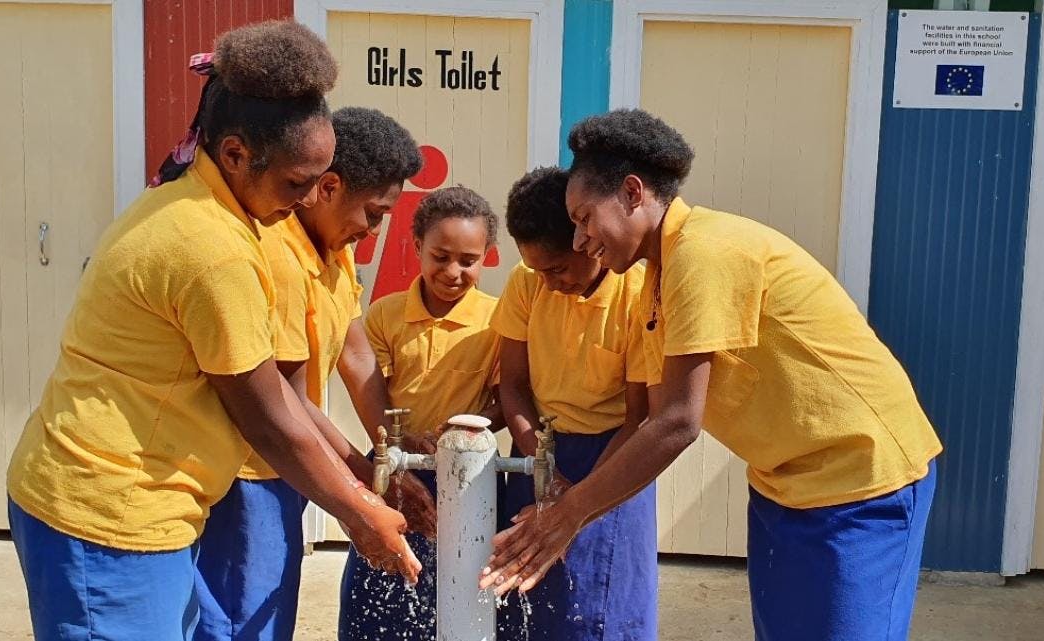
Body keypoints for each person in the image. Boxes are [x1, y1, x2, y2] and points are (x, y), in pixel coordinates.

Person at [6, 21, 418, 641]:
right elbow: (267, 413)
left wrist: (363, 481)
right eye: (296, 184)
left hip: (150, 504)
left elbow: (290, 393)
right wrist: (360, 512)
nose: (307, 200)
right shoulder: (213, 248)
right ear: (233, 154)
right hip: (107, 510)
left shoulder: (208, 209)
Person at [482, 109, 942, 641]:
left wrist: (566, 517)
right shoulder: (657, 274)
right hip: (782, 484)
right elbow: (656, 416)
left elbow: (676, 422)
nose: (581, 240)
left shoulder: (704, 252)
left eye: (585, 218)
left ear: (632, 193)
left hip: (859, 484)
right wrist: (568, 509)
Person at [195, 106, 429, 641]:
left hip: (290, 468)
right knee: (239, 621)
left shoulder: (335, 252)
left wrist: (389, 445)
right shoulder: (278, 256)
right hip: (251, 471)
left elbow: (357, 356)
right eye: (371, 213)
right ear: (327, 187)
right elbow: (285, 398)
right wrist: (361, 482)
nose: (371, 231)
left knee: (266, 612)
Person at [491, 167, 654, 641]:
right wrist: (540, 461)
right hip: (539, 454)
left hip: (615, 460)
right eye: (537, 270)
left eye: (558, 268)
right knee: (526, 603)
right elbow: (514, 387)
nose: (548, 282)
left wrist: (578, 498)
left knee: (600, 607)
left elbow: (640, 421)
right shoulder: (527, 283)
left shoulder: (638, 295)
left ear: (589, 243)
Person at [339, 186, 503, 641]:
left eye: (468, 260)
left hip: (472, 479)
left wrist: (473, 424)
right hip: (396, 472)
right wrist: (396, 443)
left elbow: (508, 397)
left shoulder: (499, 321)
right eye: (441, 256)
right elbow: (372, 392)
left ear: (487, 257)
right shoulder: (386, 316)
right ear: (417, 248)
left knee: (465, 586)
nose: (453, 272)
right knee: (381, 583)